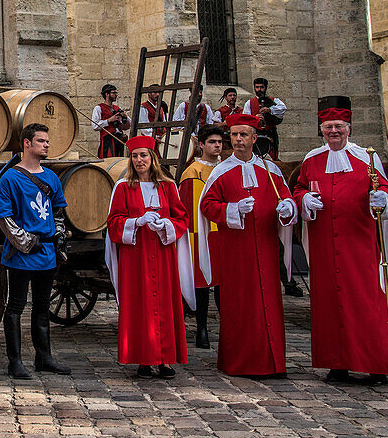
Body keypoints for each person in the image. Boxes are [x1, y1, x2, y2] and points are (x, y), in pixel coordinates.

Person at [292, 96, 388, 385]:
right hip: (325, 245)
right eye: (328, 127)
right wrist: (304, 199)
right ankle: (337, 363)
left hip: (359, 244)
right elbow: (300, 188)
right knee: (330, 303)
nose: (333, 132)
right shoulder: (312, 159)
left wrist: (383, 200)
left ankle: (375, 364)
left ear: (349, 128)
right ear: (322, 129)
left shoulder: (367, 158)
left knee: (366, 302)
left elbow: (387, 193)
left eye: (338, 126)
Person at [197, 113, 297, 377]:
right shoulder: (221, 171)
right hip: (235, 250)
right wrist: (232, 209)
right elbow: (206, 206)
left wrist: (287, 208)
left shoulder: (271, 171)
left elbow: (285, 201)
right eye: (234, 135)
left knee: (269, 302)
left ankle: (273, 362)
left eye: (243, 135)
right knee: (240, 304)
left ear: (254, 138)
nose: (238, 140)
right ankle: (240, 362)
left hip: (265, 247)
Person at [105, 135, 194, 378]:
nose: (138, 160)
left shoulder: (168, 187)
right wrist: (136, 222)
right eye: (134, 156)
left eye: (143, 155)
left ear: (152, 158)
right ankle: (143, 358)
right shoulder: (123, 187)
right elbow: (113, 224)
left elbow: (181, 219)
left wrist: (166, 224)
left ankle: (165, 359)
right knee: (139, 305)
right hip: (135, 258)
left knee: (164, 304)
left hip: (163, 256)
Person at [0, 123, 71, 378]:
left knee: (41, 306)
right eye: (41, 141)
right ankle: (14, 361)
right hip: (21, 254)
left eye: (47, 141)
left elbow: (58, 212)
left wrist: (57, 238)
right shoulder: (10, 178)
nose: (46, 145)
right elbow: (4, 218)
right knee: (15, 306)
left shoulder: (51, 178)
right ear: (27, 143)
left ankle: (44, 357)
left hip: (46, 253)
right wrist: (26, 242)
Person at [178, 124, 226, 348]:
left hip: (224, 231)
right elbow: (190, 207)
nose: (216, 146)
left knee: (224, 284)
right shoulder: (193, 171)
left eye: (219, 142)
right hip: (201, 233)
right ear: (201, 145)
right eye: (212, 142)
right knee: (203, 283)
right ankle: (202, 329)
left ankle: (227, 327)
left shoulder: (226, 167)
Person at [243, 77, 287, 159]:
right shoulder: (249, 103)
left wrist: (270, 110)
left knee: (273, 157)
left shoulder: (274, 100)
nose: (259, 89)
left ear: (265, 88)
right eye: (257, 87)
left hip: (270, 134)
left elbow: (283, 108)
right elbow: (245, 120)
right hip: (256, 134)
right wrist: (255, 118)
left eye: (261, 87)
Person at [92, 84, 131, 159]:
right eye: (113, 93)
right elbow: (95, 126)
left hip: (119, 139)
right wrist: (109, 120)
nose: (116, 95)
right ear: (107, 94)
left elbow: (127, 126)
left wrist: (125, 117)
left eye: (116, 93)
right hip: (108, 139)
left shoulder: (117, 108)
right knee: (108, 159)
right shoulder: (99, 108)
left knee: (119, 160)